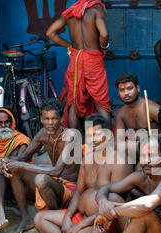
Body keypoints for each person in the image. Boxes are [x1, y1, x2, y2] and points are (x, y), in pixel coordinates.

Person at [34, 114, 133, 233]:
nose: (92, 139)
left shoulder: (119, 161)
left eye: (97, 135)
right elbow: (79, 192)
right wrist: (68, 217)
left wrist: (77, 227)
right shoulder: (87, 159)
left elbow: (113, 203)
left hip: (103, 223)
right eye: (89, 135)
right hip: (81, 215)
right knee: (40, 218)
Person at [0, 99, 80, 233]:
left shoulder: (71, 136)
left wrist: (20, 164)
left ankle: (54, 219)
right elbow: (23, 157)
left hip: (71, 189)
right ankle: (25, 218)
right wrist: (3, 161)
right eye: (46, 119)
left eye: (54, 119)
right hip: (55, 182)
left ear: (62, 118)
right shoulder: (43, 134)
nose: (50, 123)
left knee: (41, 179)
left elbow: (56, 171)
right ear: (41, 119)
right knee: (15, 170)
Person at [46, 0, 112, 136]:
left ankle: (75, 146)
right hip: (93, 58)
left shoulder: (70, 11)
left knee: (73, 102)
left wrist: (69, 46)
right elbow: (104, 34)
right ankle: (107, 143)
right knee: (101, 102)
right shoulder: (96, 9)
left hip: (76, 59)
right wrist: (103, 48)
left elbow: (50, 33)